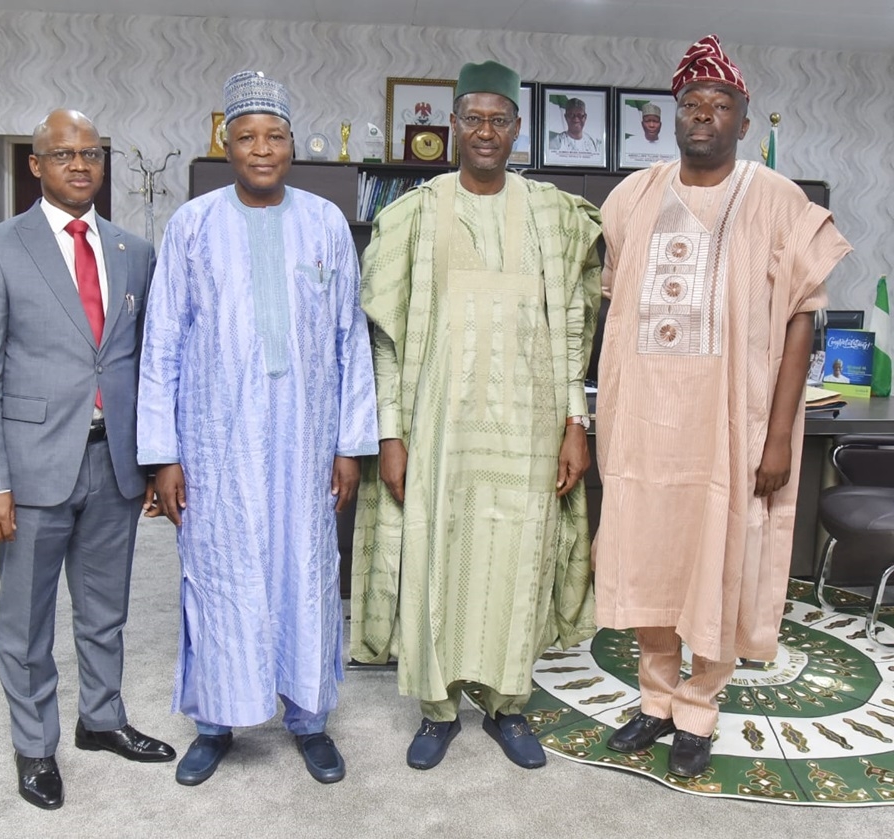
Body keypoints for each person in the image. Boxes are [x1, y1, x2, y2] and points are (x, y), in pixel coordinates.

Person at [593, 34, 852, 778]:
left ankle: (699, 708)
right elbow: (615, 309)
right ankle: (654, 699)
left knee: (718, 562)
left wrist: (778, 437)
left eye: (721, 105)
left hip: (728, 427)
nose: (703, 115)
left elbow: (802, 316)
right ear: (675, 117)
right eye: (691, 105)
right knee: (649, 559)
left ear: (745, 120)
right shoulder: (631, 198)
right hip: (645, 424)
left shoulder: (778, 200)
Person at [352, 60, 601, 771]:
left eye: (499, 119)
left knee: (518, 557)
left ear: (517, 129)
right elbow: (389, 341)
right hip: (439, 429)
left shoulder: (554, 214)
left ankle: (507, 702)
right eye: (473, 119)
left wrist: (574, 422)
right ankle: (436, 708)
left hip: (527, 432)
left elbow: (575, 332)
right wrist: (392, 433)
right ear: (452, 126)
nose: (486, 131)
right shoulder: (413, 214)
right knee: (438, 557)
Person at [136, 70, 378, 787]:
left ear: (292, 144)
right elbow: (162, 343)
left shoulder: (325, 224)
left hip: (305, 440)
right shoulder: (192, 224)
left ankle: (308, 717)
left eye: (274, 135)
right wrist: (164, 455)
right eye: (247, 136)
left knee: (305, 572)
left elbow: (349, 340)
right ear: (227, 142)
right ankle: (216, 719)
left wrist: (347, 444)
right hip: (216, 439)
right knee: (221, 573)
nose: (262, 148)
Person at [0, 109, 176, 811]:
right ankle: (34, 745)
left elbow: (144, 366)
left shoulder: (133, 250)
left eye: (91, 154)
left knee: (105, 609)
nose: (80, 165)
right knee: (25, 619)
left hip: (112, 463)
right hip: (30, 469)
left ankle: (101, 718)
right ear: (36, 164)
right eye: (64, 154)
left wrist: (150, 460)